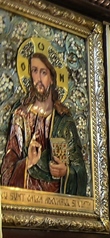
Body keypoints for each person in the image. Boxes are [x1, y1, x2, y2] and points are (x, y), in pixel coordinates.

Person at [1, 51, 88, 194]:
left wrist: (66, 171)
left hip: (57, 203)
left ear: (52, 78)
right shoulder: (21, 116)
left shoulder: (64, 121)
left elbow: (81, 171)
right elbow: (7, 169)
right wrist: (28, 161)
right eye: (34, 71)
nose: (39, 78)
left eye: (44, 72)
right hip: (27, 198)